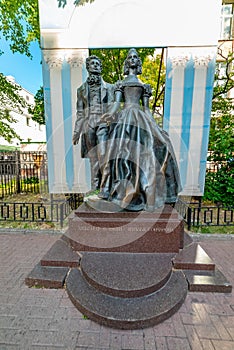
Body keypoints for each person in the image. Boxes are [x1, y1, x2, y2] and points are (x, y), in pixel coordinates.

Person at [98, 48, 181, 211]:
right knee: (123, 152)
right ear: (127, 62)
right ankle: (121, 192)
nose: (133, 59)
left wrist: (155, 126)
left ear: (138, 62)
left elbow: (147, 110)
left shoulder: (145, 86)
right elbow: (116, 105)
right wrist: (108, 115)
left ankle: (147, 192)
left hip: (141, 118)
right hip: (126, 118)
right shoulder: (120, 84)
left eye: (136, 57)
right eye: (131, 57)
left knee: (158, 147)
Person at [72, 55, 114, 190]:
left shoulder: (109, 87)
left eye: (97, 64)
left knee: (103, 155)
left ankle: (106, 188)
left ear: (101, 68)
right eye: (92, 63)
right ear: (88, 67)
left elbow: (114, 107)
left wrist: (110, 119)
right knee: (93, 158)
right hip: (88, 123)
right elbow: (80, 112)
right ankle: (95, 188)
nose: (95, 65)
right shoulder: (81, 90)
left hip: (102, 123)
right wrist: (76, 132)